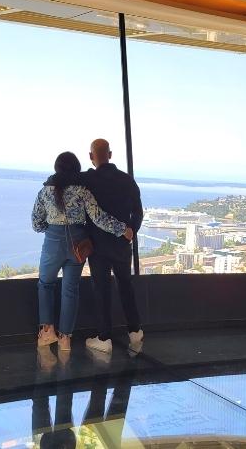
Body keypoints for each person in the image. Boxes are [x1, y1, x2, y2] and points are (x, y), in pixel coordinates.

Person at [32, 151, 133, 352]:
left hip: (53, 243)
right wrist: (123, 229)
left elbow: (36, 224)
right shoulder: (83, 191)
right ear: (77, 168)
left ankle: (47, 331)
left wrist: (52, 228)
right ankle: (65, 339)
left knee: (45, 284)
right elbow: (98, 217)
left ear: (56, 168)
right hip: (78, 244)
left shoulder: (45, 191)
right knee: (70, 290)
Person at [83, 139, 144, 354]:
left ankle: (104, 337)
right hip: (121, 244)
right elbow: (138, 212)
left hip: (98, 246)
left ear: (91, 157)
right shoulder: (127, 180)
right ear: (110, 154)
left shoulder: (88, 179)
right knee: (125, 285)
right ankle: (135, 331)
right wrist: (130, 233)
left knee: (102, 289)